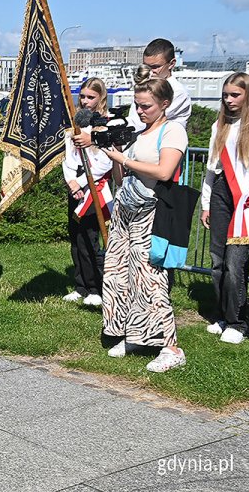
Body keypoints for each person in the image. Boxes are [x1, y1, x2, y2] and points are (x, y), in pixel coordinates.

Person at [98, 67, 188, 372]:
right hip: (126, 208)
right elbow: (123, 175)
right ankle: (133, 333)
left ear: (164, 103)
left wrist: (124, 159)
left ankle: (170, 346)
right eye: (137, 104)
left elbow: (164, 171)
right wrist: (119, 157)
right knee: (118, 273)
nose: (140, 110)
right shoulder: (139, 133)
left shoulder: (172, 130)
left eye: (146, 105)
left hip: (151, 211)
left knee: (150, 278)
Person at [200, 72, 249, 345]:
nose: (229, 100)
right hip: (222, 193)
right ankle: (223, 314)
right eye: (226, 95)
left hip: (248, 198)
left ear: (248, 95)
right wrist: (206, 203)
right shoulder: (219, 125)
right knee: (218, 260)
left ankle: (238, 321)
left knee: (236, 262)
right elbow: (211, 169)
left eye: (235, 95)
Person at [62, 78, 112, 307]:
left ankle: (96, 287)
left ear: (101, 97)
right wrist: (71, 181)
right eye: (82, 96)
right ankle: (80, 285)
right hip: (76, 186)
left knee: (91, 238)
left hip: (95, 187)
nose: (85, 101)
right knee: (76, 236)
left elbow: (105, 162)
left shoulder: (106, 124)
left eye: (90, 97)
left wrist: (82, 182)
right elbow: (67, 157)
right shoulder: (76, 123)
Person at [127, 38, 191, 131]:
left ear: (172, 64)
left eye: (155, 67)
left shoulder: (178, 92)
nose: (150, 71)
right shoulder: (144, 86)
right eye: (146, 66)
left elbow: (141, 122)